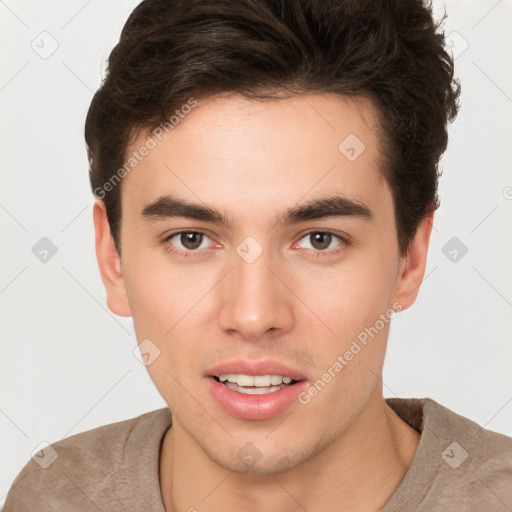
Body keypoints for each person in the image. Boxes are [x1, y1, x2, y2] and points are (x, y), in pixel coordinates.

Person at [5, 0, 512, 510]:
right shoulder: (56, 495)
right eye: (191, 239)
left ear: (412, 256)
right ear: (113, 256)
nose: (253, 316)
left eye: (319, 239)